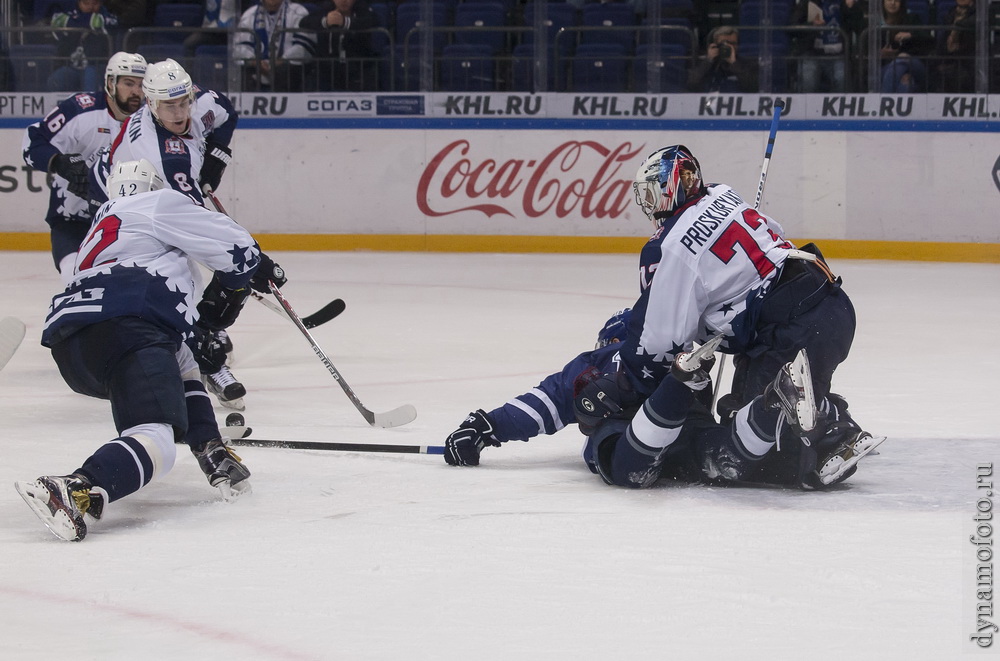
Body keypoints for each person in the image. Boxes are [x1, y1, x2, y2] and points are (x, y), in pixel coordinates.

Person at [572, 145, 884, 489]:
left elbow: (659, 339)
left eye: (650, 192)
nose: (647, 204)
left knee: (756, 446)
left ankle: (825, 435)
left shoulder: (668, 247)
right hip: (828, 301)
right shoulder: (722, 194)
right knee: (743, 409)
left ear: (669, 187)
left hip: (791, 327)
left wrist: (626, 378)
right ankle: (834, 425)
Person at [12, 158, 284, 542]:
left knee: (173, 369)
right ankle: (75, 488)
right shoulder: (157, 203)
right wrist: (258, 267)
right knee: (155, 438)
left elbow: (183, 364)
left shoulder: (101, 231)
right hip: (129, 324)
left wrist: (208, 444)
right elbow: (235, 246)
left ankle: (196, 454)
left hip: (72, 345)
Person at [98, 58, 267, 410]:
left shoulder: (200, 104)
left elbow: (226, 112)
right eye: (168, 106)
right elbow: (192, 222)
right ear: (150, 103)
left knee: (201, 281)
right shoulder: (158, 152)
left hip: (163, 198)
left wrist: (216, 157)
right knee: (178, 286)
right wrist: (250, 255)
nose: (178, 113)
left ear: (191, 94)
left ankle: (207, 343)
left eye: (183, 102)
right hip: (132, 210)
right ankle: (207, 364)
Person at [22, 51, 147, 285]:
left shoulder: (149, 119)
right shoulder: (80, 109)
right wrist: (59, 162)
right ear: (111, 82)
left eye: (141, 85)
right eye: (129, 83)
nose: (136, 92)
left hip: (124, 225)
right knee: (75, 282)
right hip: (72, 221)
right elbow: (33, 142)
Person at [234, 0, 316, 92]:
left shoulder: (298, 12)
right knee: (242, 72)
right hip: (258, 68)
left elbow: (303, 46)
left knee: (285, 71)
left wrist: (282, 60)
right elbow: (240, 47)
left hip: (288, 68)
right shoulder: (250, 14)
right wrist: (254, 61)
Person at [299, 0, 378, 91]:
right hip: (327, 69)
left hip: (358, 69)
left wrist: (344, 22)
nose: (344, 1)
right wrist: (325, 22)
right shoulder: (325, 11)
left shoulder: (364, 11)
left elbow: (371, 21)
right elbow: (304, 22)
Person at [793, 0, 864, 92]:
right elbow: (793, 27)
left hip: (839, 55)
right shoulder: (807, 2)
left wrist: (851, 8)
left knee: (842, 79)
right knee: (808, 80)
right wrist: (811, 25)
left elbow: (860, 28)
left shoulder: (845, 3)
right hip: (812, 53)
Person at [47, 0, 119, 92]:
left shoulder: (109, 17)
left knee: (90, 74)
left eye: (94, 3)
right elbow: (56, 22)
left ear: (100, 3)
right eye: (86, 3)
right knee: (56, 79)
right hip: (72, 67)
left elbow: (97, 22)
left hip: (97, 66)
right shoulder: (69, 11)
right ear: (79, 3)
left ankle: (91, 105)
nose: (90, 7)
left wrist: (71, 21)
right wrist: (87, 23)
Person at [876, 0, 932, 92]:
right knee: (904, 86)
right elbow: (866, 49)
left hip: (914, 65)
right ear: (883, 2)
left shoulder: (912, 18)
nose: (893, 3)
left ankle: (883, 102)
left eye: (897, 0)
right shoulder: (875, 23)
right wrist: (881, 54)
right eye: (889, 0)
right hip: (887, 66)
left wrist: (910, 35)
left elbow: (929, 40)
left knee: (902, 58)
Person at [686, 25, 759, 93]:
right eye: (724, 43)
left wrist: (734, 63)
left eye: (733, 43)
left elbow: (752, 88)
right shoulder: (704, 63)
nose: (729, 47)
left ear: (738, 45)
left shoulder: (748, 64)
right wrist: (708, 60)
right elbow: (691, 84)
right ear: (715, 44)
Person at [932, 0, 977, 92]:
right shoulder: (951, 13)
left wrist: (956, 28)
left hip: (971, 57)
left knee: (960, 75)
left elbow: (974, 22)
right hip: (951, 57)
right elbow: (945, 39)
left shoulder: (980, 12)